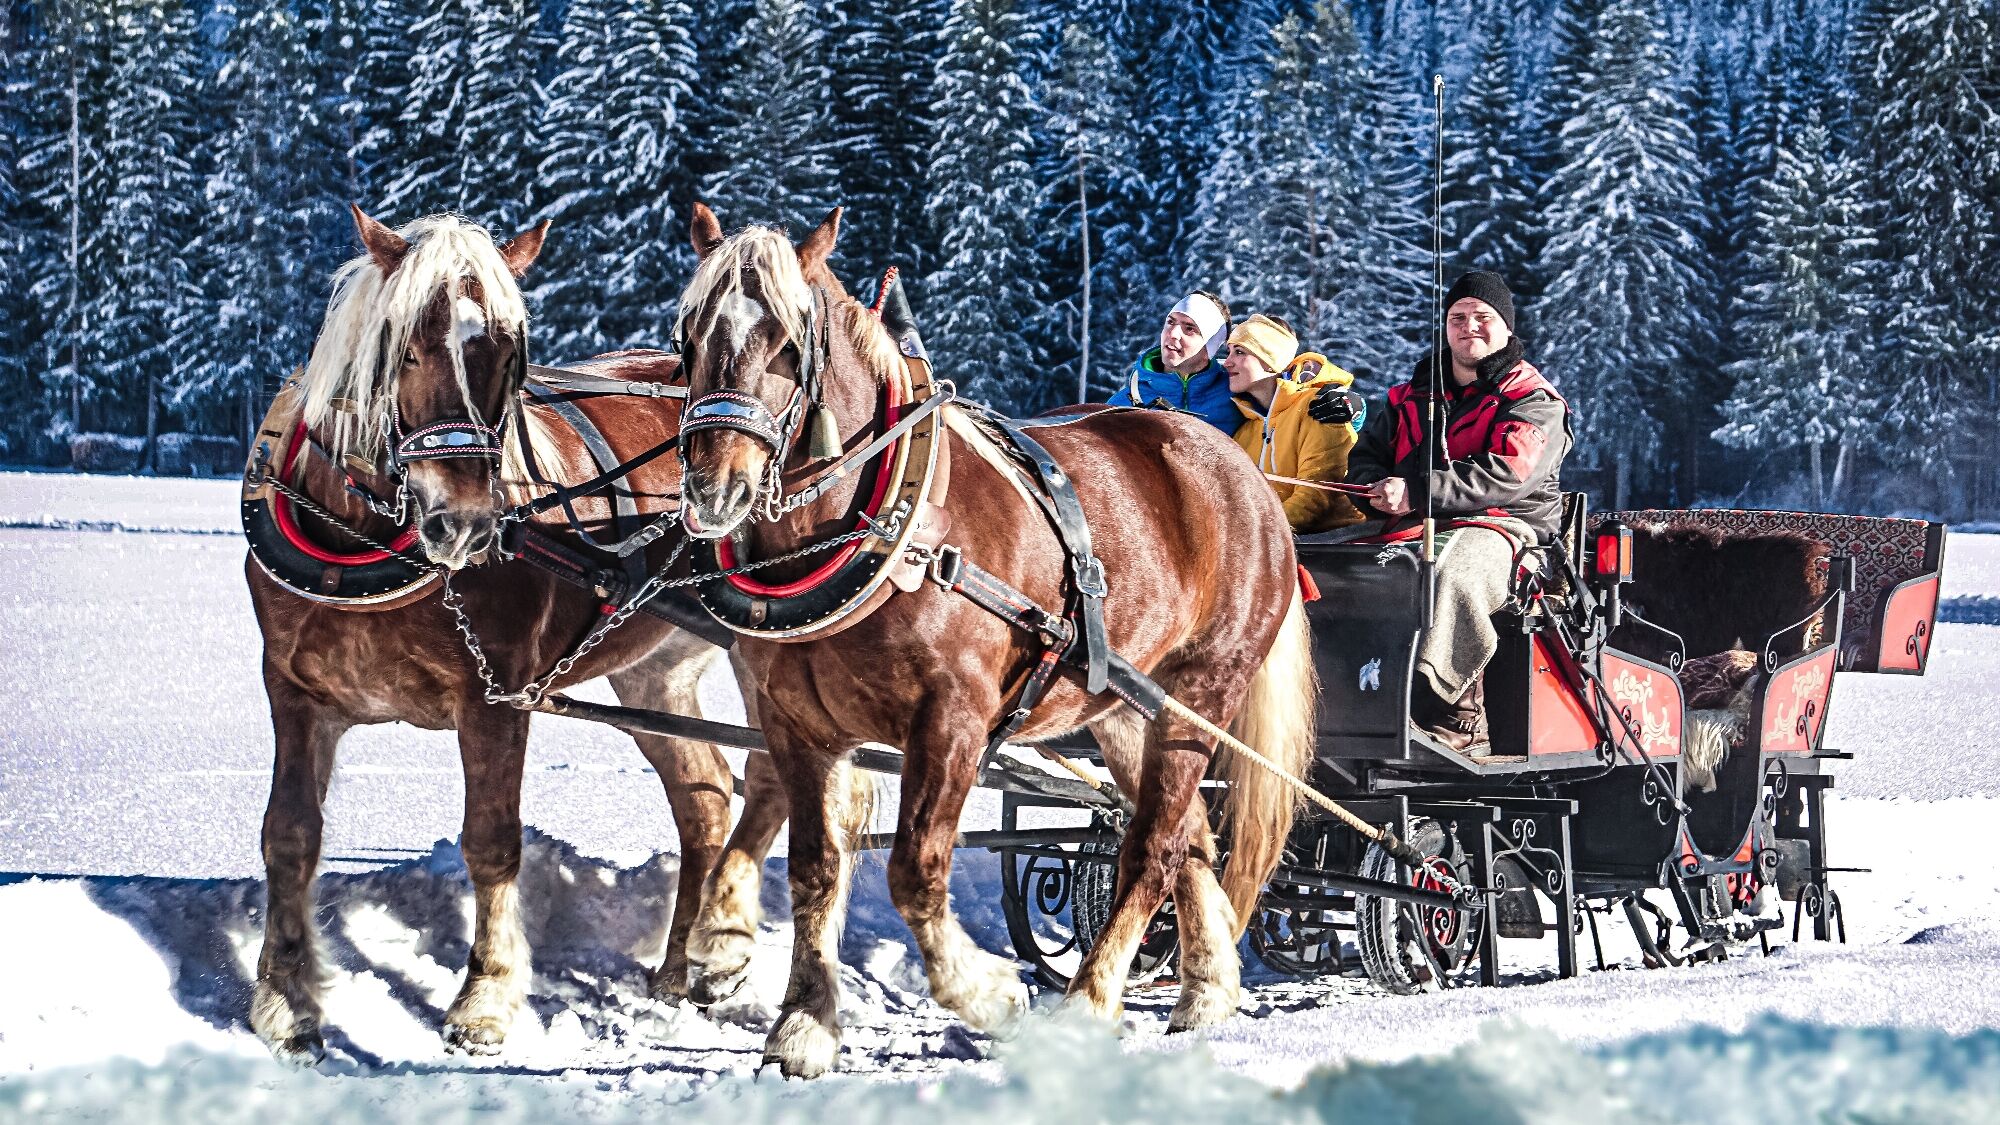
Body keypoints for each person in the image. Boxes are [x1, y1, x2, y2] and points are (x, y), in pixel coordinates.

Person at [1334, 271, 1573, 755]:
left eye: (1482, 317)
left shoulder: (1533, 400)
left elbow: (1507, 473)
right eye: (1457, 318)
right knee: (1328, 570)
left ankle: (1454, 716)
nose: (1470, 328)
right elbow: (1366, 455)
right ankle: (1341, 697)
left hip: (1511, 530)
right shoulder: (1409, 396)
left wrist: (1417, 492)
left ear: (1506, 327)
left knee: (1452, 574)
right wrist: (1371, 490)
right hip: (1411, 523)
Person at [1222, 314, 1366, 534]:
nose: (1228, 362)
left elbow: (1316, 495)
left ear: (1270, 362)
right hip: (1276, 540)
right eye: (1228, 352)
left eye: (1240, 352)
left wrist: (1256, 534)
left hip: (1336, 541)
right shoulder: (1245, 430)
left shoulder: (1317, 408)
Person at [1108, 291, 1240, 433]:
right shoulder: (1122, 404)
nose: (1172, 334)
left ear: (1210, 347)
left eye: (1189, 328)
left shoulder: (1236, 399)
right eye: (1170, 322)